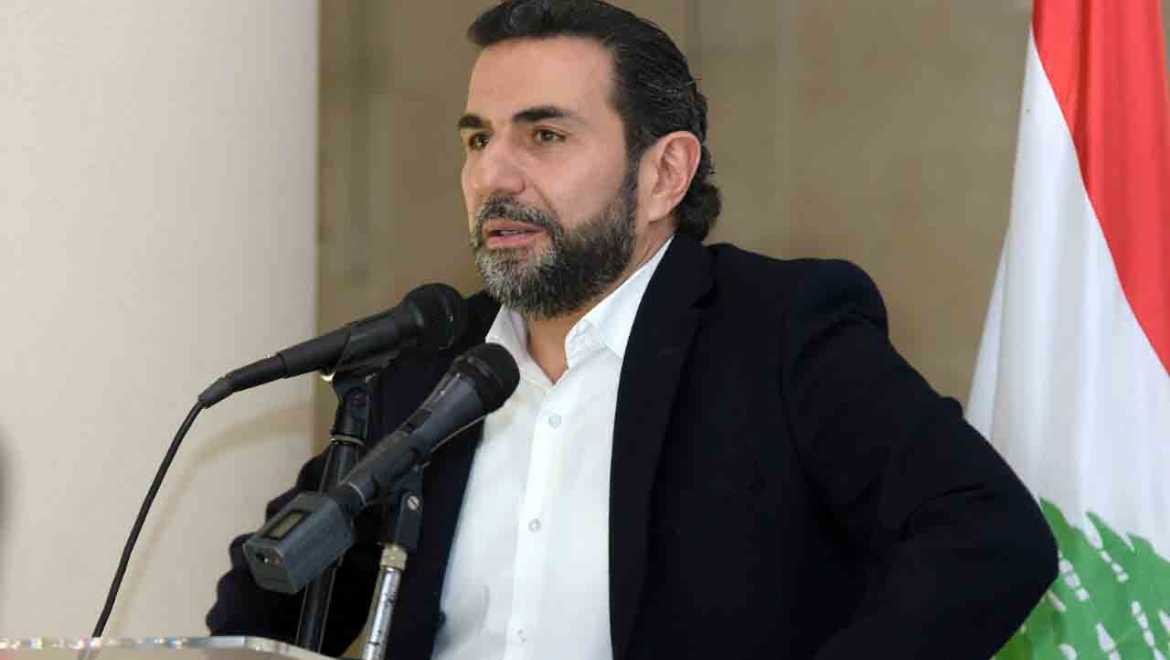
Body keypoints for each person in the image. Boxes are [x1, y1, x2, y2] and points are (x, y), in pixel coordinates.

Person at [207, 1, 1057, 658]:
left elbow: (987, 536)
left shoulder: (779, 333)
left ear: (664, 173)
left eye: (544, 134)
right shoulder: (426, 364)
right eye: (477, 139)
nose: (493, 174)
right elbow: (262, 616)